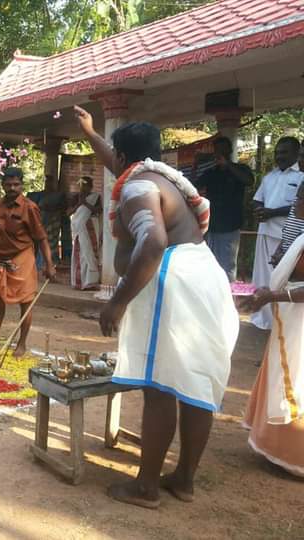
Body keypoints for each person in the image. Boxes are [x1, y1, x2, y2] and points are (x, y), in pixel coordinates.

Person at [74, 105, 239, 509]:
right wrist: (91, 132)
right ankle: (183, 480)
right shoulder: (158, 176)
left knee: (160, 387)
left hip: (173, 282)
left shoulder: (136, 188)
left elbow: (152, 243)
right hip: (204, 276)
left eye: (116, 157)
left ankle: (147, 487)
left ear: (125, 159)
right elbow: (117, 161)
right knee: (194, 384)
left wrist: (116, 303)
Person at [0, 167, 56, 357]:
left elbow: (41, 238)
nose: (12, 188)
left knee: (25, 301)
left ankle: (21, 344)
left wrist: (49, 264)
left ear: (22, 185)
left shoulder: (30, 208)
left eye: (16, 184)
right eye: (8, 184)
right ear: (3, 185)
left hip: (21, 258)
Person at [242, 226, 304, 477]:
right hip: (290, 318)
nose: (297, 202)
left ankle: (293, 456)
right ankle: (274, 447)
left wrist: (274, 295)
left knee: (295, 385)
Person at [251, 137, 304, 330]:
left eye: (284, 152)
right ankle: (265, 321)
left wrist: (272, 212)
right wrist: (260, 210)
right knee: (265, 278)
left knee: (283, 283)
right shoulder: (269, 177)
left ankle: (281, 324)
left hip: (290, 239)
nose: (279, 156)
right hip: (266, 233)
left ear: (296, 153)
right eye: (277, 152)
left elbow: (295, 208)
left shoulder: (300, 177)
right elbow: (257, 200)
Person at [194, 137, 254, 281]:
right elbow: (193, 187)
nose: (219, 153)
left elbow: (249, 181)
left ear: (229, 150)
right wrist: (197, 164)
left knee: (227, 266)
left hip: (230, 225)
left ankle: (227, 297)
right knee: (209, 264)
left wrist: (227, 165)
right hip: (212, 225)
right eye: (217, 150)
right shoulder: (211, 172)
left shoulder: (241, 169)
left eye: (222, 149)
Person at [69, 176, 102, 290]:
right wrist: (79, 203)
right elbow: (68, 212)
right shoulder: (75, 197)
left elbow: (99, 211)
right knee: (80, 254)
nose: (83, 189)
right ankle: (79, 282)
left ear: (91, 187)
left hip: (91, 228)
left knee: (90, 254)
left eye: (86, 186)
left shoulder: (96, 197)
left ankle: (91, 282)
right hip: (80, 229)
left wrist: (86, 204)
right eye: (82, 186)